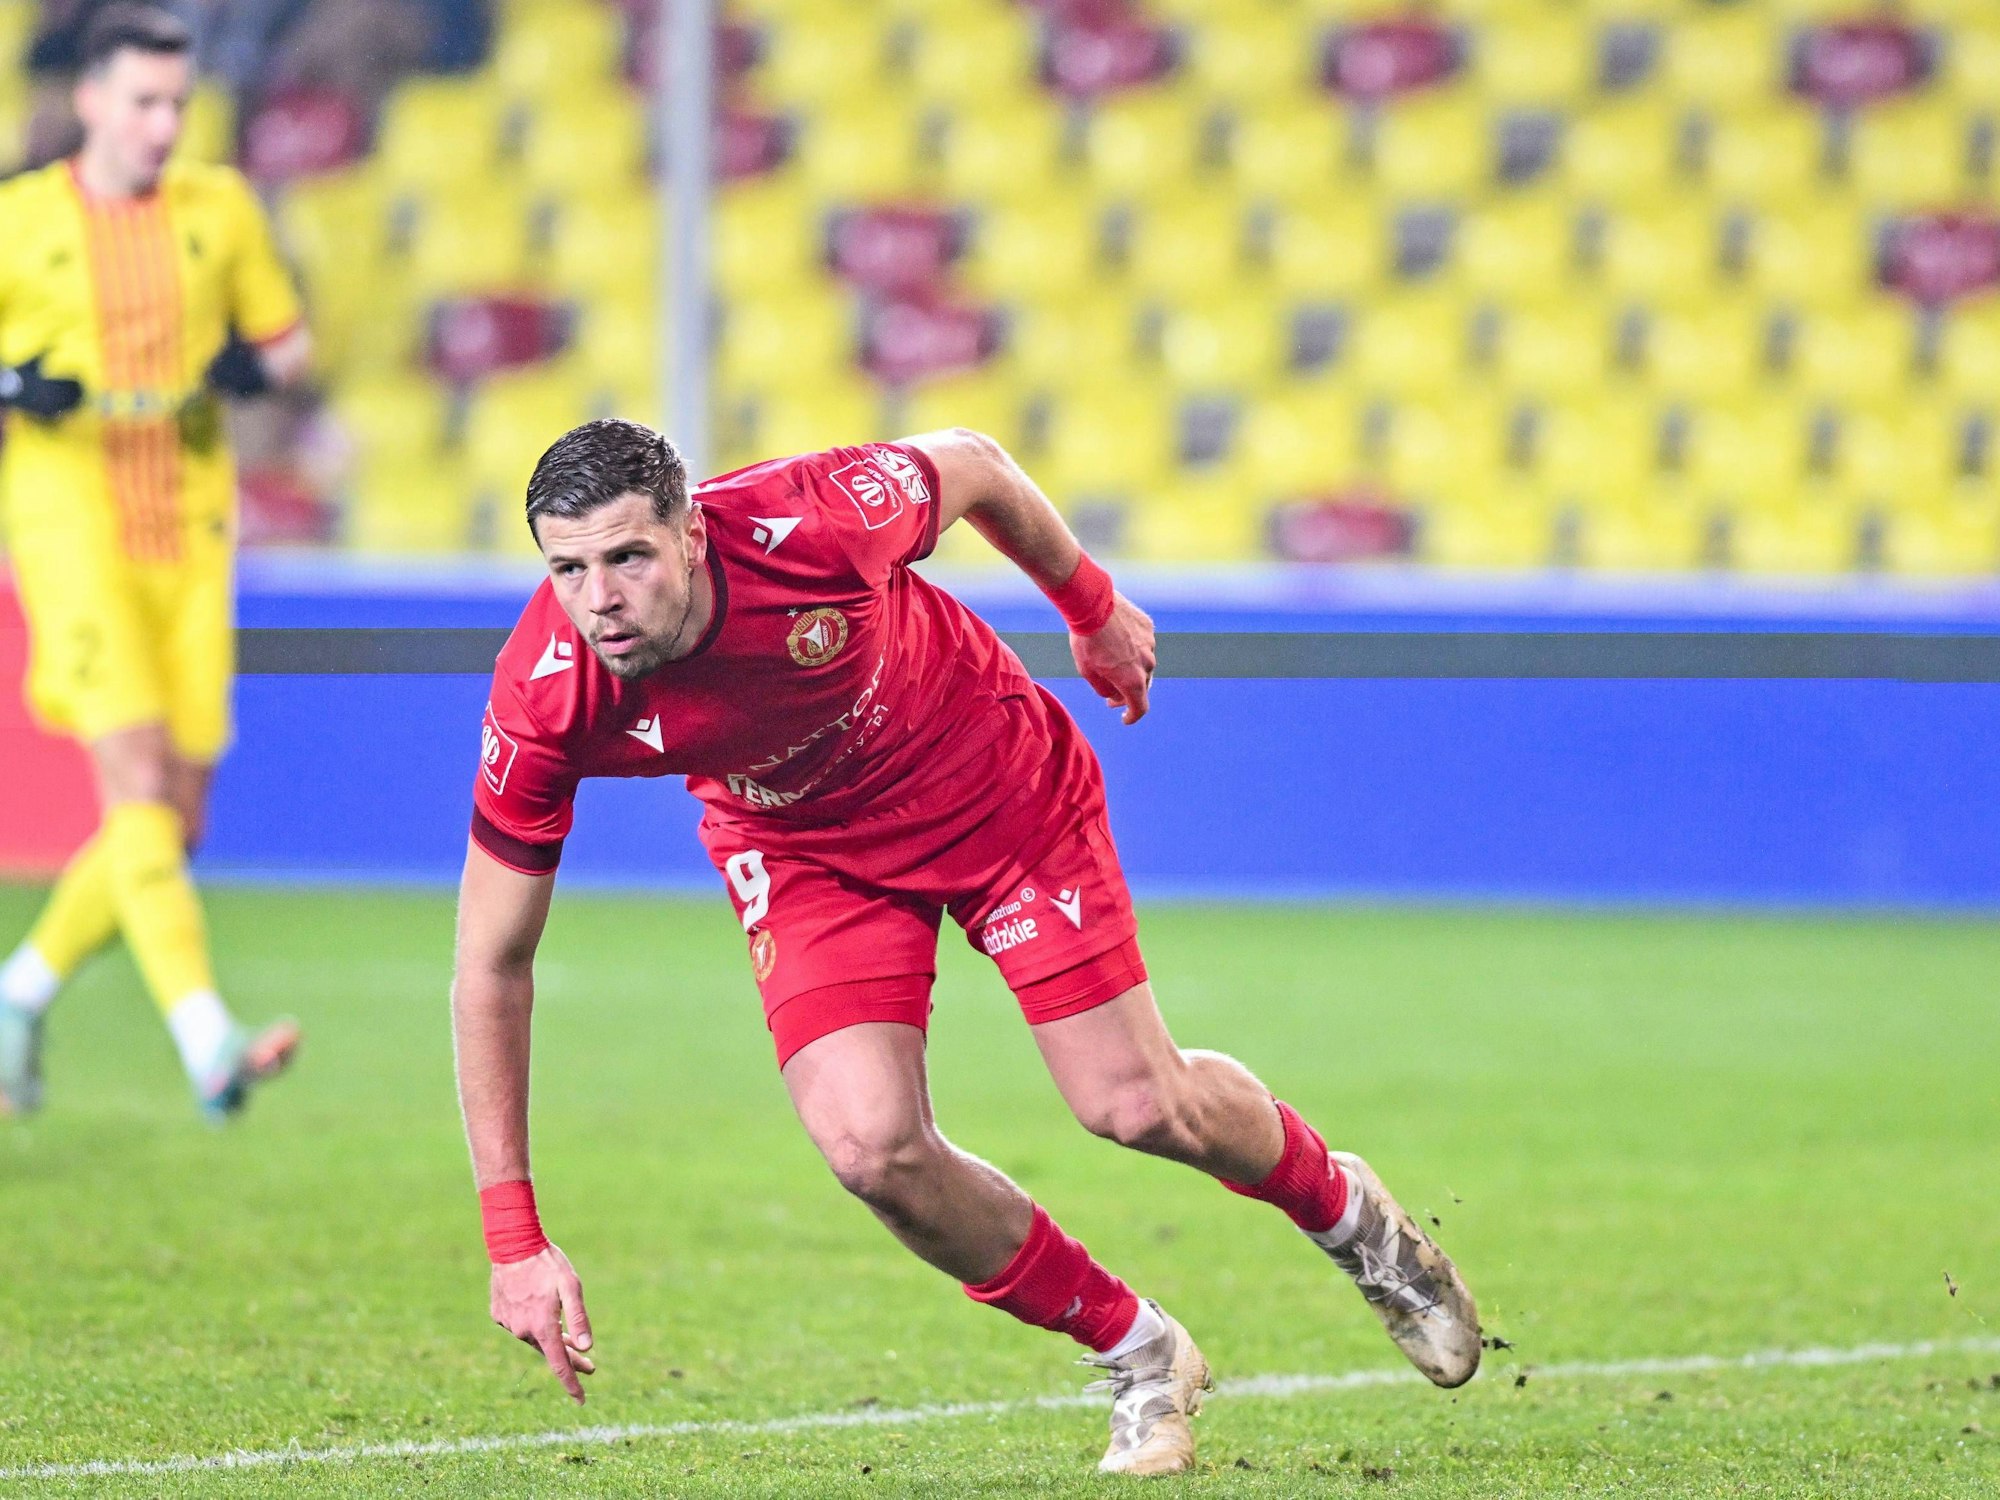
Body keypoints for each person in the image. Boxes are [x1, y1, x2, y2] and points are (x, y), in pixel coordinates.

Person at [451, 419, 1480, 1476]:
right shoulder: (546, 694)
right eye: (567, 569)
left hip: (992, 791)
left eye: (627, 557)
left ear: (693, 536)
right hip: (804, 849)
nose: (599, 599)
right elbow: (491, 960)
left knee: (1132, 1103)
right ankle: (1137, 1352)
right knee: (869, 1147)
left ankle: (1349, 1219)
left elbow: (979, 465)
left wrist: (1089, 609)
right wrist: (513, 1238)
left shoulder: (812, 522)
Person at [0, 3, 310, 1120]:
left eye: (177, 103)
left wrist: (247, 367)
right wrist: (11, 386)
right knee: (131, 781)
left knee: (172, 822)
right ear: (90, 102)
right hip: (69, 520)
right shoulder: (21, 221)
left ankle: (19, 995)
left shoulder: (218, 210)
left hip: (189, 525)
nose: (163, 123)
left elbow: (290, 344)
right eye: (142, 101)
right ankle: (206, 1037)